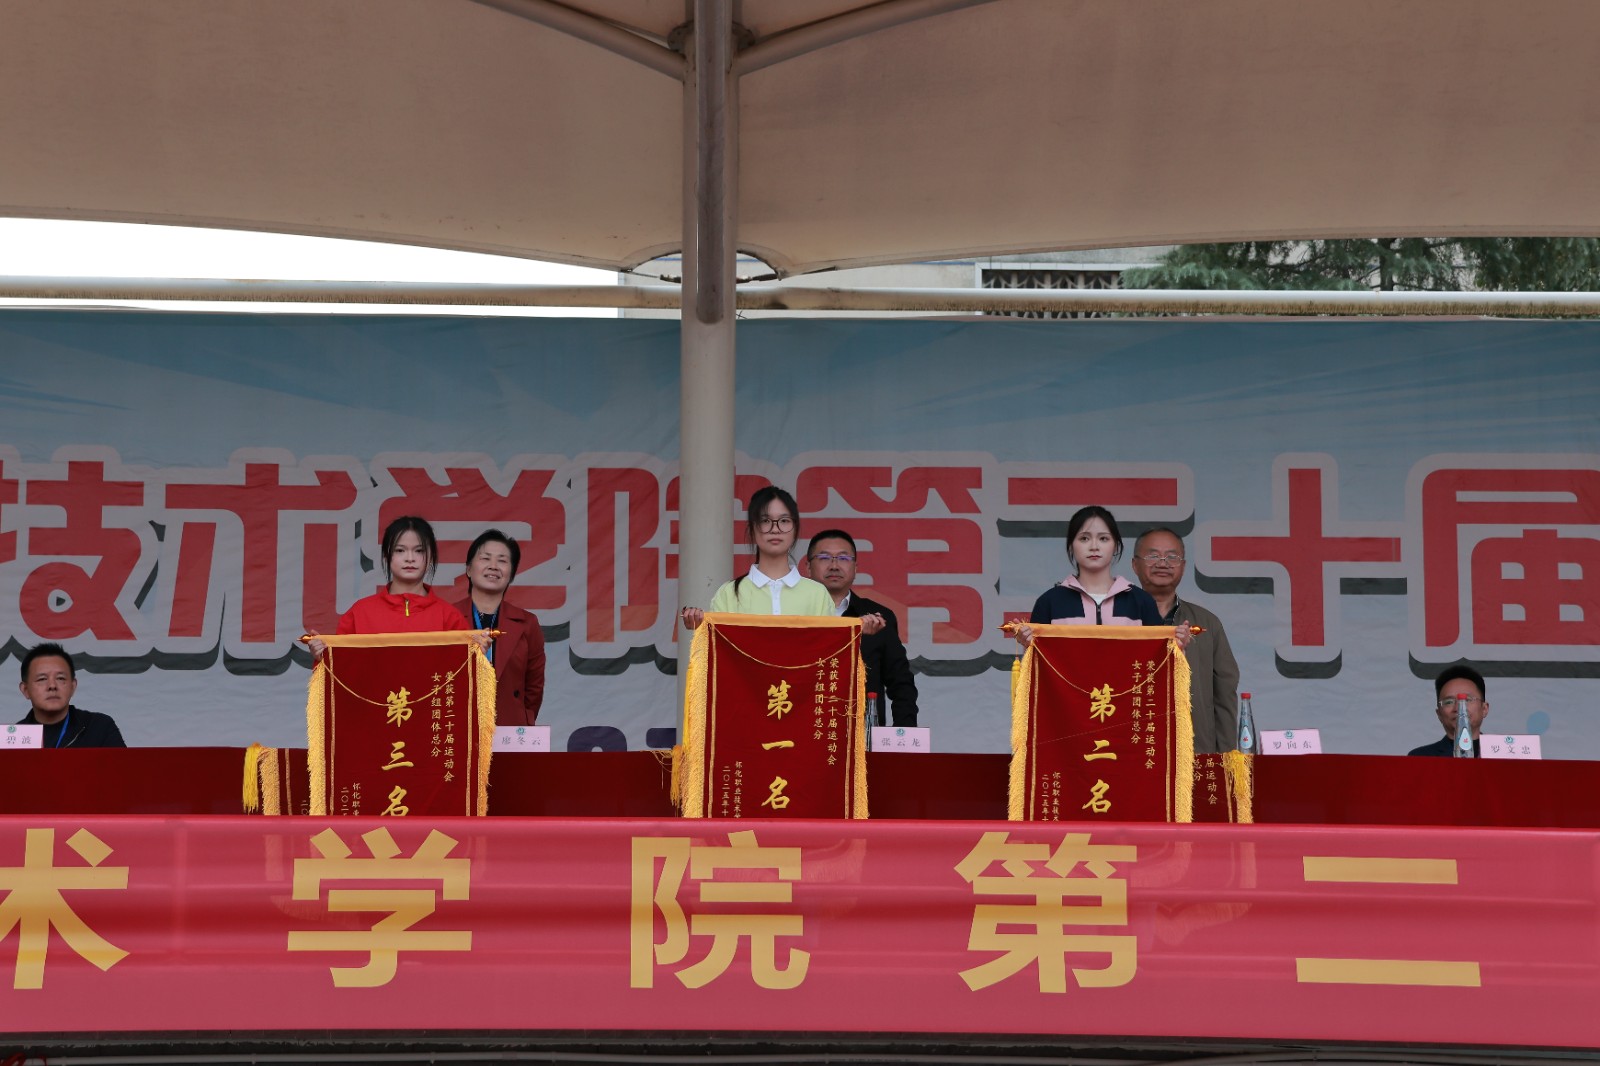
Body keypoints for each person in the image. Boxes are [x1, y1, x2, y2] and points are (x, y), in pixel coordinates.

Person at [681, 486, 882, 635]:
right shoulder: (729, 593)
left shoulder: (817, 594)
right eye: (765, 521)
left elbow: (828, 651)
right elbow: (719, 655)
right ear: (752, 529)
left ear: (795, 529)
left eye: (784, 521)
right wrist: (700, 627)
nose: (775, 528)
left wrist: (857, 630)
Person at [1015, 505, 1190, 649]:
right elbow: (1039, 670)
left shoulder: (1141, 601)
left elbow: (1156, 664)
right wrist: (1029, 644)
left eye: (1103, 539)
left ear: (1116, 545)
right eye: (1084, 538)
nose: (1094, 546)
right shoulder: (1050, 602)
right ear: (1071, 545)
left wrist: (1177, 647)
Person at [1131, 527, 1240, 753]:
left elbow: (1224, 695)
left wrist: (1226, 757)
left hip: (1194, 750)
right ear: (1135, 565)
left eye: (1172, 557)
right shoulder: (1117, 621)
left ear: (1183, 566)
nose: (1163, 563)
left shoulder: (1207, 623)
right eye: (1153, 556)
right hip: (1133, 748)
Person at [308, 516, 469, 657]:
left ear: (431, 556)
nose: (410, 558)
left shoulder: (450, 618)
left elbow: (463, 673)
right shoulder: (360, 613)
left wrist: (477, 655)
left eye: (419, 551)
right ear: (386, 555)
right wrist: (323, 656)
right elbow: (342, 667)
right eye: (400, 550)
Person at [805, 529, 919, 726]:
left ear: (856, 568)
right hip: (806, 730)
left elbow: (901, 684)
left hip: (863, 733)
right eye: (824, 558)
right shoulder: (795, 615)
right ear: (808, 567)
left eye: (843, 558)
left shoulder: (879, 617)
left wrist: (903, 733)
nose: (834, 566)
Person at [454, 529, 545, 726]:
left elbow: (534, 689)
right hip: (458, 726)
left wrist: (521, 717)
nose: (493, 566)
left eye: (502, 561)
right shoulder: (448, 618)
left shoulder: (527, 623)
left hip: (508, 727)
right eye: (485, 558)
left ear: (511, 574)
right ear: (468, 569)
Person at [16, 642, 125, 748]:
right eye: (42, 679)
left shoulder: (100, 727)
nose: (52, 686)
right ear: (25, 690)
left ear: (73, 686)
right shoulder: (14, 737)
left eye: (60, 678)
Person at [1409, 664, 1488, 756]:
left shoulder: (1500, 753)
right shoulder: (1420, 757)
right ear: (1439, 714)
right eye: (1449, 702)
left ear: (1484, 709)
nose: (1459, 708)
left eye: (1467, 700)